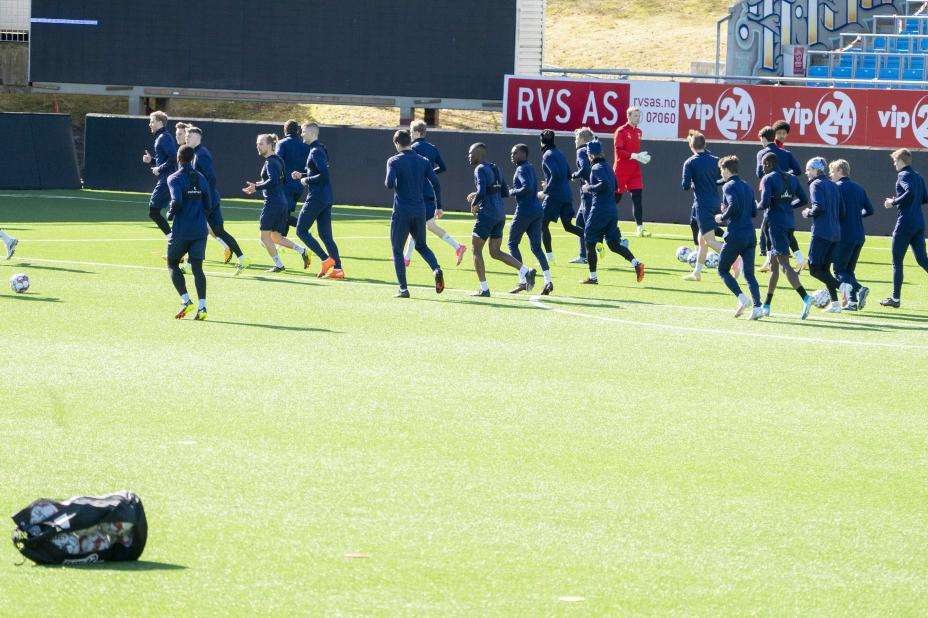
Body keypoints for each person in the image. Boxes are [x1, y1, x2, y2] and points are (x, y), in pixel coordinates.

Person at [467, 142, 536, 297]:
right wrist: (479, 194)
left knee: (476, 250)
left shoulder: (479, 169)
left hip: (487, 214)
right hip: (499, 215)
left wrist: (474, 204)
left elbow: (482, 191)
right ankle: (526, 271)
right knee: (495, 252)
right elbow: (504, 192)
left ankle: (484, 289)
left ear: (479, 154)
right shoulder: (495, 167)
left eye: (471, 153)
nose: (469, 156)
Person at [384, 129, 445, 298]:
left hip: (401, 211)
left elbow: (389, 184)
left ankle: (403, 289)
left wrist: (396, 178)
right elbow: (436, 183)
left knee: (397, 250)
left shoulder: (393, 161)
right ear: (410, 142)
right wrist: (439, 206)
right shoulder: (423, 161)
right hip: (420, 210)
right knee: (421, 246)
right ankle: (436, 269)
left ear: (397, 143)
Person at [757, 152, 815, 319]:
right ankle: (767, 305)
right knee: (774, 267)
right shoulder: (792, 178)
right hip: (789, 222)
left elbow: (765, 203)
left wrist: (753, 207)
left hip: (775, 224)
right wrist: (788, 206)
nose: (762, 168)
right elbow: (803, 199)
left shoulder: (768, 179)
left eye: (762, 165)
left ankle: (805, 297)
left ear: (768, 164)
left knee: (783, 264)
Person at [579, 140, 645, 285]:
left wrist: (589, 188)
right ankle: (636, 263)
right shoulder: (608, 167)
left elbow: (604, 184)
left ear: (590, 155)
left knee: (588, 239)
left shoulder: (596, 168)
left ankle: (593, 277)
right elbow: (614, 185)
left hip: (599, 209)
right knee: (614, 244)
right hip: (612, 210)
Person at [242, 134, 311, 273]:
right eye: (257, 143)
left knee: (264, 237)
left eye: (261, 143)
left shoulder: (270, 162)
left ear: (270, 145)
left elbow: (273, 181)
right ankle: (302, 251)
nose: (258, 146)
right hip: (281, 202)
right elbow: (279, 181)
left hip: (273, 203)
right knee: (276, 237)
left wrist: (257, 187)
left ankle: (279, 265)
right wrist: (259, 185)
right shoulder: (278, 160)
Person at [402, 120, 466, 267]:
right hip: (428, 191)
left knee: (418, 224)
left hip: (418, 193)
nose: (410, 134)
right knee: (427, 225)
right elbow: (443, 167)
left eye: (411, 132)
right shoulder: (432, 148)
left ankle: (406, 259)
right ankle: (457, 247)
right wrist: (429, 173)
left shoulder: (412, 148)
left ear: (417, 132)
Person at [185, 127, 247, 274]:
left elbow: (211, 177)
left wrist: (203, 196)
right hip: (212, 198)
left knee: (194, 229)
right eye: (186, 136)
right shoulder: (197, 153)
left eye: (189, 136)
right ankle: (243, 259)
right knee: (219, 231)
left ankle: (188, 266)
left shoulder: (201, 154)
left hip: (207, 200)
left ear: (197, 137)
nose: (186, 138)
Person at [290, 122, 345, 279]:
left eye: (303, 131)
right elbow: (318, 172)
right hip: (326, 197)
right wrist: (302, 175)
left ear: (312, 133)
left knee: (301, 230)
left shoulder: (315, 151)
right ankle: (338, 269)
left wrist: (306, 180)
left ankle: (326, 260)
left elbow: (324, 175)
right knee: (326, 236)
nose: (301, 134)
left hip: (317, 198)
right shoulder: (319, 148)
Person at [715, 156, 762, 319]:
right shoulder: (747, 186)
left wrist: (722, 216)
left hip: (736, 234)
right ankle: (757, 306)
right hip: (750, 234)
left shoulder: (728, 186)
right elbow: (754, 212)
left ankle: (742, 298)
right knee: (749, 274)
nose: (721, 173)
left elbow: (733, 205)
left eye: (721, 170)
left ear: (727, 170)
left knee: (722, 270)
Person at [166, 145, 210, 320]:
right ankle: (202, 307)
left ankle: (186, 301)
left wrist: (170, 214)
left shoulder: (174, 178)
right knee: (198, 268)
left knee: (172, 264)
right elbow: (208, 203)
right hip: (200, 230)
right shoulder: (201, 177)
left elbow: (176, 201)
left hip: (182, 230)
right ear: (193, 159)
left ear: (178, 158)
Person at [880, 148, 928, 308]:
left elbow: (910, 192)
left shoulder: (903, 175)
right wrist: (903, 200)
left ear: (901, 161)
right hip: (919, 222)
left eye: (895, 161)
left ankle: (895, 299)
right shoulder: (918, 176)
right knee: (922, 260)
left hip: (905, 223)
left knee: (897, 262)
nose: (894, 164)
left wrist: (893, 202)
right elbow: (924, 198)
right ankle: (895, 298)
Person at [756, 124, 805, 271]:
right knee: (784, 230)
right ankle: (799, 258)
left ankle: (770, 261)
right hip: (786, 191)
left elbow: (759, 174)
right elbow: (798, 171)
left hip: (770, 190)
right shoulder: (786, 153)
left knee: (767, 227)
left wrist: (774, 176)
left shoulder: (762, 153)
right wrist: (786, 175)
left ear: (763, 138)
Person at [507, 143, 553, 295]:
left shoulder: (521, 169)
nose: (512, 156)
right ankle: (548, 281)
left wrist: (511, 191)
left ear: (522, 154)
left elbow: (526, 187)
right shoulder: (531, 167)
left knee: (512, 243)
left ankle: (523, 279)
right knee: (536, 248)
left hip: (524, 211)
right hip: (537, 211)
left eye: (515, 153)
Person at [800, 157, 844, 313]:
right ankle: (836, 304)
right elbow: (842, 211)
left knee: (814, 269)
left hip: (821, 232)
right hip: (835, 233)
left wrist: (808, 212)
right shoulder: (833, 185)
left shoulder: (816, 184)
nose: (806, 172)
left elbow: (818, 207)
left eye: (808, 169)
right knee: (825, 270)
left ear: (815, 169)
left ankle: (843, 287)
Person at [681, 131, 725, 281]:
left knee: (710, 240)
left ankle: (736, 257)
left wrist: (696, 183)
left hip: (702, 205)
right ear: (705, 144)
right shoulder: (715, 160)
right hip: (715, 202)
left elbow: (685, 186)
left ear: (691, 146)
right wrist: (710, 181)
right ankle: (697, 273)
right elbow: (722, 179)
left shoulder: (690, 162)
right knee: (702, 240)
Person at [830, 159, 873, 310]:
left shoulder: (836, 188)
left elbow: (833, 212)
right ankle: (852, 302)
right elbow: (870, 210)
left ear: (840, 171)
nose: (830, 175)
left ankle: (860, 289)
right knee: (848, 271)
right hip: (859, 235)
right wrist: (856, 215)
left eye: (832, 171)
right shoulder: (859, 188)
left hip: (844, 235)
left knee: (839, 271)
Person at [539, 129, 583, 263]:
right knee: (568, 226)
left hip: (554, 197)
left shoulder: (547, 155)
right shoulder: (560, 153)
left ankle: (549, 258)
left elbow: (556, 174)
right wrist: (550, 182)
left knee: (542, 224)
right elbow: (568, 175)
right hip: (566, 195)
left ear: (541, 141)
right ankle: (595, 238)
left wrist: (546, 190)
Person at [613, 106, 652, 237]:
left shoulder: (639, 132)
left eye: (638, 116)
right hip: (621, 170)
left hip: (634, 170)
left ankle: (640, 229)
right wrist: (634, 155)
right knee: (615, 199)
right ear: (628, 116)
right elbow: (619, 151)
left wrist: (639, 157)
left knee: (637, 198)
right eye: (635, 115)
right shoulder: (621, 131)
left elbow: (634, 150)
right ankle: (606, 224)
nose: (638, 118)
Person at [141, 111, 178, 239]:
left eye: (152, 121)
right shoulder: (161, 137)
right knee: (156, 212)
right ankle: (174, 239)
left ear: (160, 123)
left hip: (166, 180)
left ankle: (173, 240)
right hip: (166, 179)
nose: (150, 124)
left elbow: (173, 158)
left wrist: (159, 168)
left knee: (154, 211)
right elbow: (165, 159)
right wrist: (151, 161)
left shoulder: (164, 137)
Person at [276, 120, 310, 235]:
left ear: (285, 130)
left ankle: (303, 225)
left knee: (280, 215)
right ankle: (282, 239)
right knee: (286, 214)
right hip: (299, 186)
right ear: (298, 131)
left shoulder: (282, 143)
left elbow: (277, 163)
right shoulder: (306, 146)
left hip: (285, 185)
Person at [570, 127, 596, 264]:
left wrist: (574, 175)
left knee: (588, 224)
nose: (575, 141)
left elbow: (585, 168)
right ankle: (583, 255)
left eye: (576, 138)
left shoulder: (581, 151)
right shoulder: (593, 150)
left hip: (587, 192)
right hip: (593, 190)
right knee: (580, 222)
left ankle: (618, 241)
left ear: (581, 139)